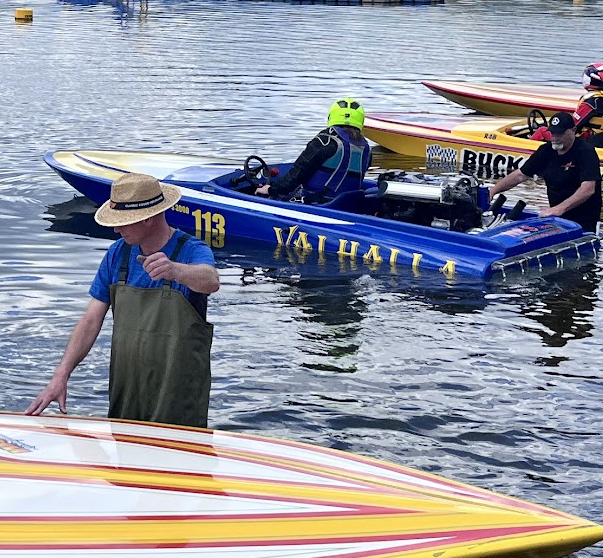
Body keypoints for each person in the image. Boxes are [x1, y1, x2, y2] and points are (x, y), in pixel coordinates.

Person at [31, 173, 220, 425]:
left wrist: (176, 271)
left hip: (177, 395)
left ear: (148, 218)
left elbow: (211, 280)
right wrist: (61, 375)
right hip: (127, 388)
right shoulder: (117, 254)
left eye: (123, 222)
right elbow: (91, 320)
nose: (116, 229)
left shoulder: (192, 250)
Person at [485, 112, 602, 229]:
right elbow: (520, 175)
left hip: (584, 222)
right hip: (556, 218)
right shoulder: (545, 151)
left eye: (560, 134)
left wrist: (559, 209)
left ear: (573, 130)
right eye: (553, 133)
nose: (555, 138)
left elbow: (588, 189)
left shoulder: (586, 152)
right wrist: (493, 191)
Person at [257, 96, 371, 205]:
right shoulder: (367, 149)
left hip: (317, 203)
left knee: (272, 194)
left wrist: (271, 189)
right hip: (346, 204)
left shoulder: (325, 141)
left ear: (332, 116)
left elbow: (298, 172)